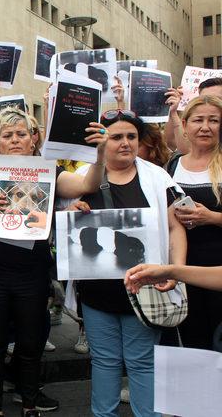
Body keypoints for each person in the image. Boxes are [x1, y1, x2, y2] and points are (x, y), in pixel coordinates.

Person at [0, 106, 108, 417]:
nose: (14, 139)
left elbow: (87, 186)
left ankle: (29, 406)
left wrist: (99, 155)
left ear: (33, 139)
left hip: (32, 272)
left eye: (21, 134)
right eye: (7, 135)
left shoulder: (49, 171)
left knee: (30, 344)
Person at [71, 109, 187, 417]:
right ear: (102, 141)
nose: (125, 143)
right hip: (98, 291)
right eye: (116, 137)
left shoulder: (158, 176)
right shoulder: (84, 177)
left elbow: (176, 228)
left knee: (143, 360)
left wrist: (175, 271)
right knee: (104, 361)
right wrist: (72, 211)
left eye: (131, 137)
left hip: (145, 289)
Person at [168, 95, 222, 350]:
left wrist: (211, 217)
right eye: (198, 120)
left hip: (218, 270)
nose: (205, 126)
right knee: (193, 343)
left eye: (214, 120)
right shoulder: (173, 164)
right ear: (186, 126)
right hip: (184, 268)